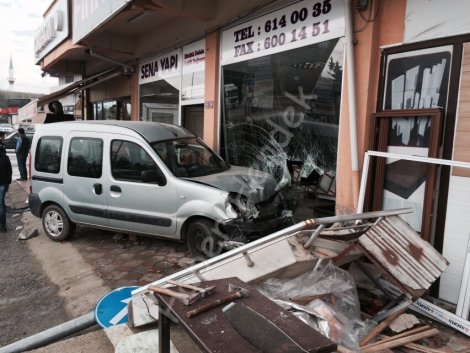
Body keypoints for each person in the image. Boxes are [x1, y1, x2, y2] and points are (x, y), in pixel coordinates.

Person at [0, 145, 12, 232]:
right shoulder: (5, 158)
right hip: (4, 183)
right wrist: (8, 183)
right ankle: (3, 225)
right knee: (1, 204)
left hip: (3, 183)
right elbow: (9, 171)